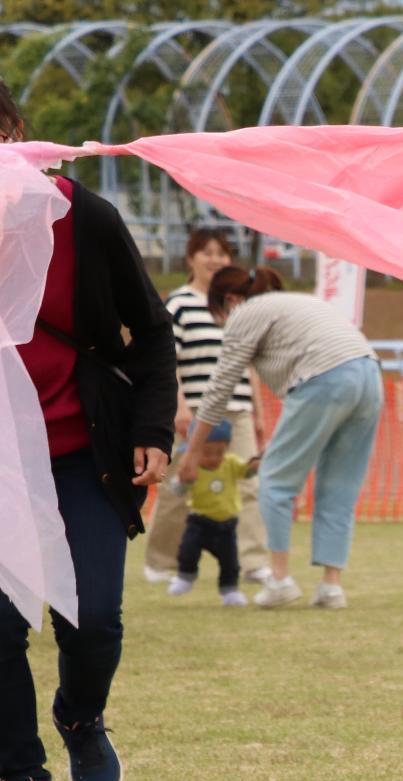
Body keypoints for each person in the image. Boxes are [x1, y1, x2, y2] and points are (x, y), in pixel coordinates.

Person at [0, 78, 175, 781]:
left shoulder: (85, 217)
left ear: (22, 132)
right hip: (4, 463)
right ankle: (17, 769)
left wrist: (154, 429)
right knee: (2, 626)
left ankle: (80, 715)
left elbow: (154, 331)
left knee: (95, 617)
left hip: (81, 453)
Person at [187, 266, 382, 611]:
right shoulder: (294, 302)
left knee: (275, 481)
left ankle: (279, 579)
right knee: (339, 486)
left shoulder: (244, 313)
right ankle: (331, 587)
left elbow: (220, 389)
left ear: (230, 299)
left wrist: (192, 451)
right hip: (369, 375)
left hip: (326, 377)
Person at [143, 227, 270, 588]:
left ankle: (254, 561)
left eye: (222, 253)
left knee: (248, 483)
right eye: (207, 252)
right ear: (191, 258)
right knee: (178, 486)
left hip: (239, 408)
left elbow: (250, 362)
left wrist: (258, 412)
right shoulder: (179, 303)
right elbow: (168, 360)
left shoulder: (237, 306)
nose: (215, 259)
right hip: (196, 411)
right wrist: (178, 407)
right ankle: (161, 560)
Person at [168, 420, 261, 605]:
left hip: (227, 525)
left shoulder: (231, 463)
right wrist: (183, 480)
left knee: (230, 562)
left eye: (220, 452)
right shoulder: (190, 467)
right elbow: (177, 490)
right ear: (194, 450)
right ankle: (186, 576)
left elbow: (246, 472)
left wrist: (254, 467)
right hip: (199, 521)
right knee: (187, 550)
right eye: (207, 452)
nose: (214, 458)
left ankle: (230, 590)